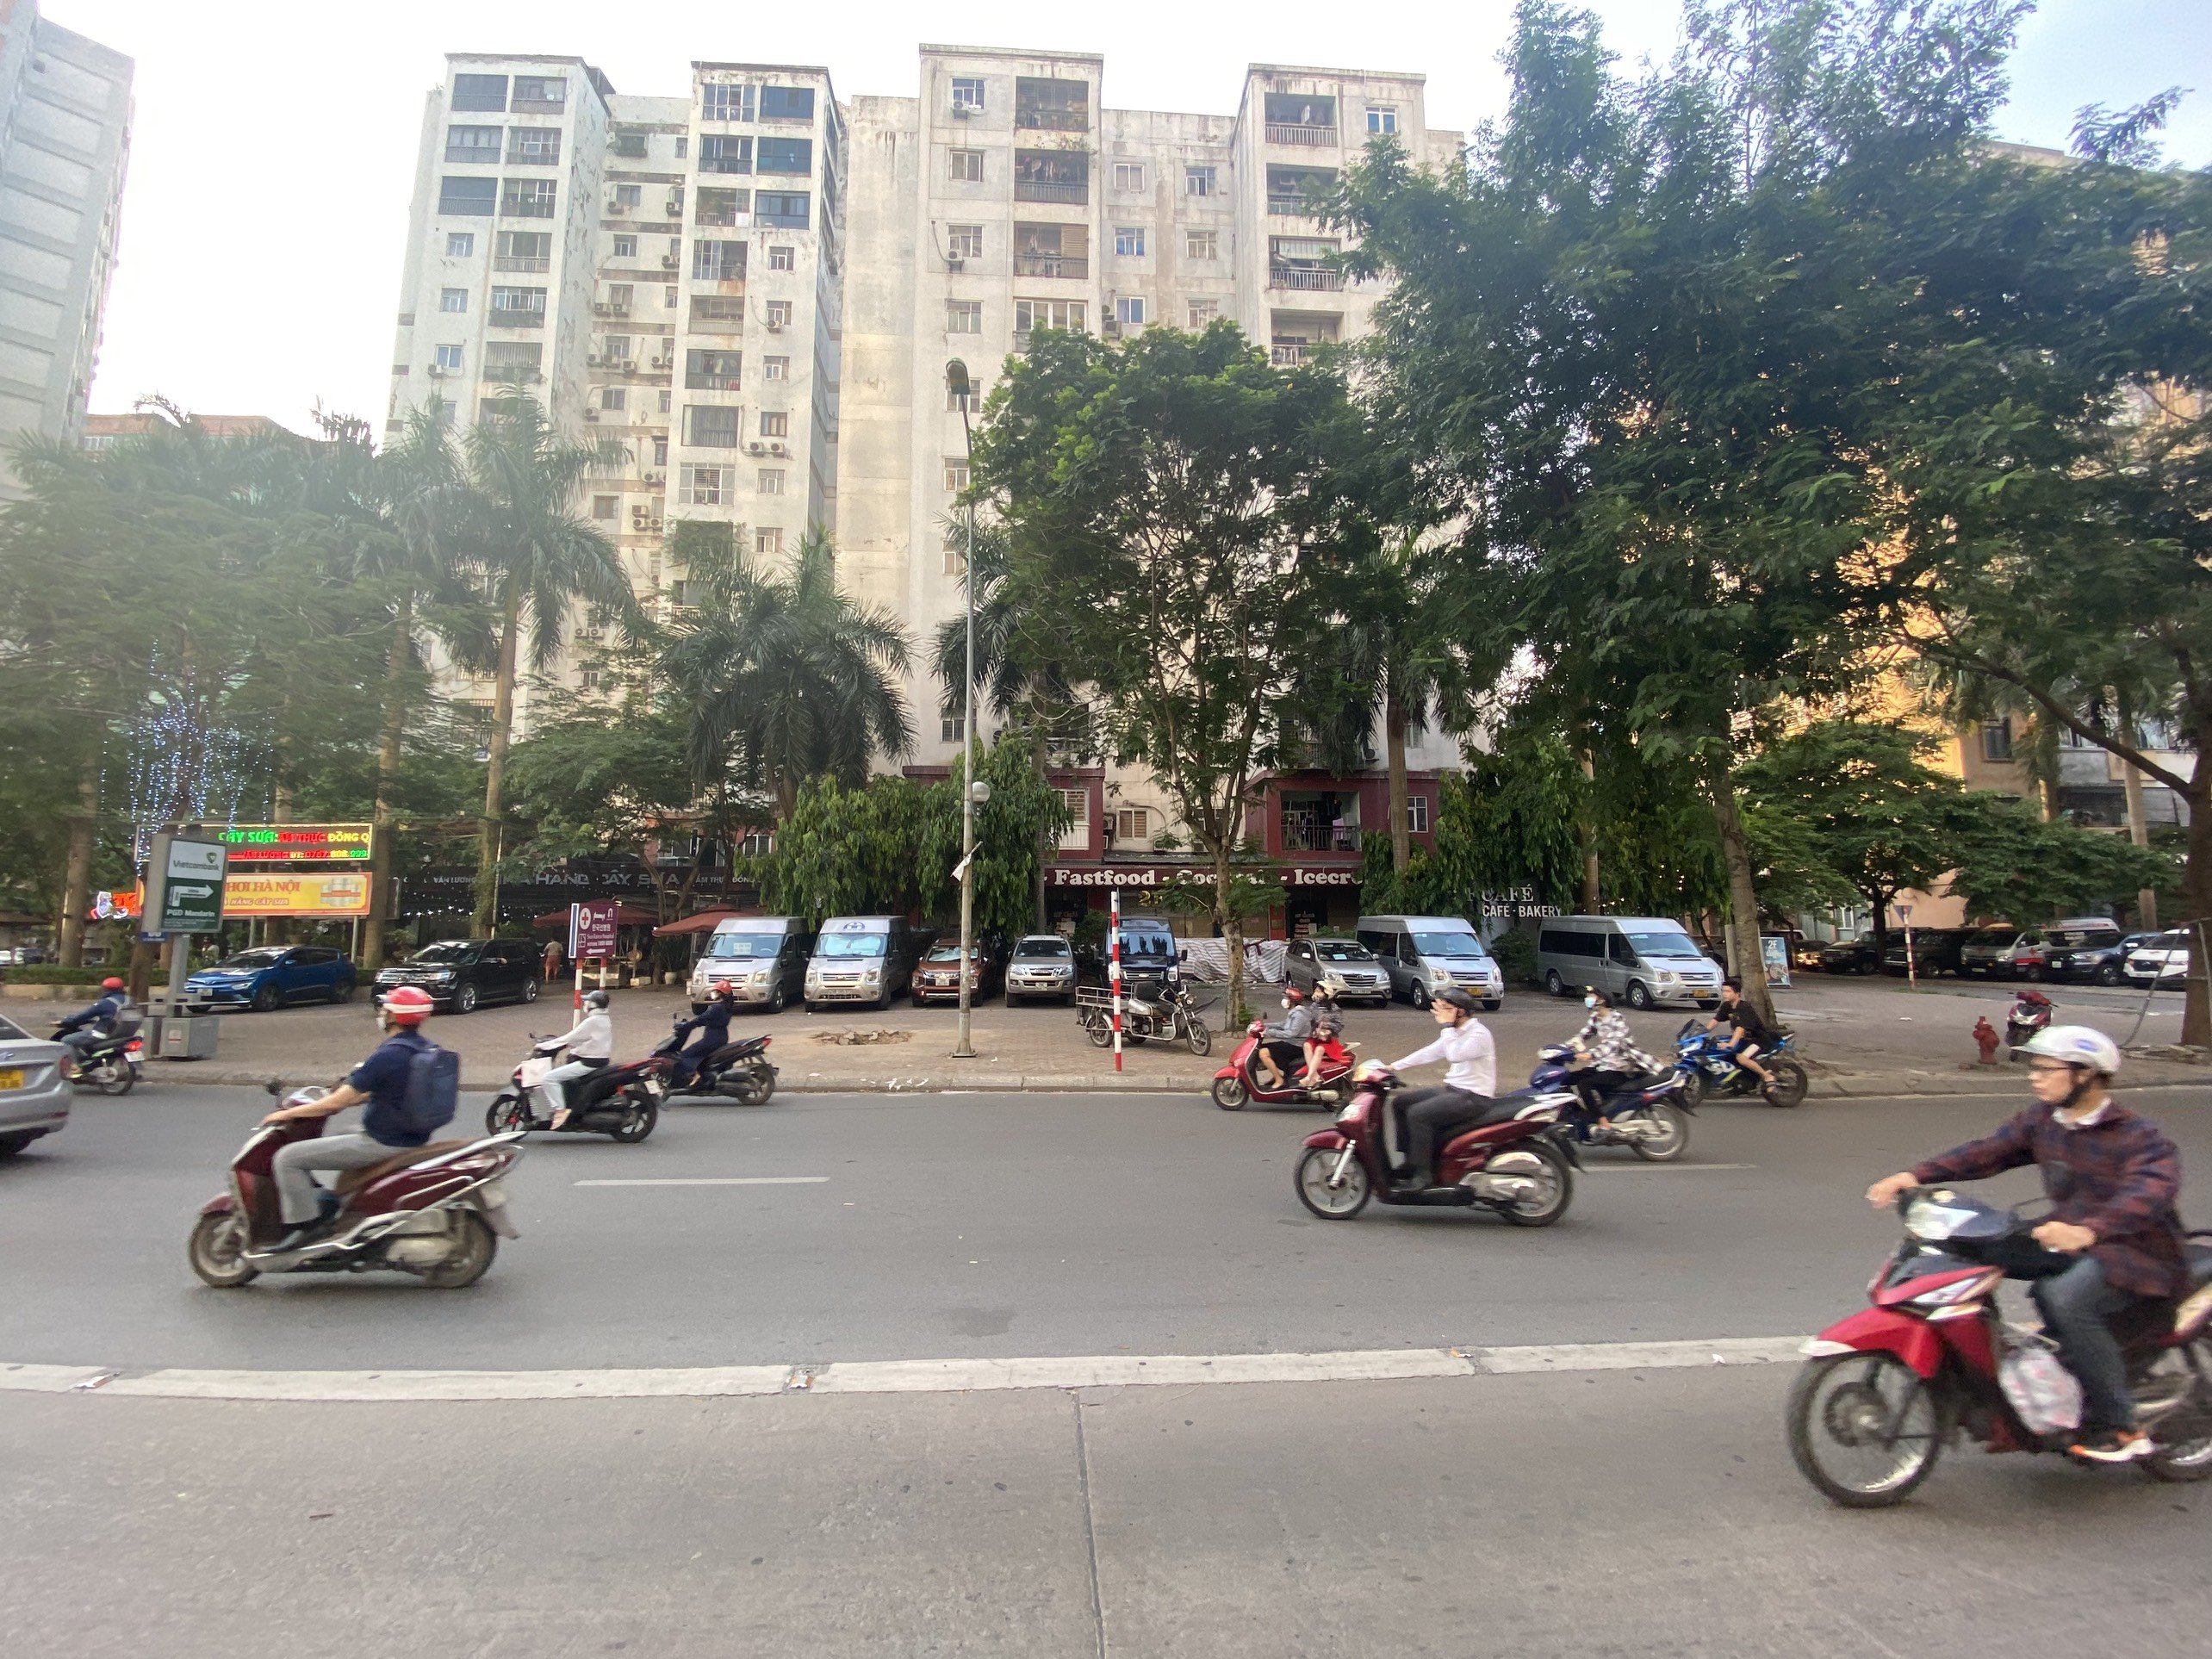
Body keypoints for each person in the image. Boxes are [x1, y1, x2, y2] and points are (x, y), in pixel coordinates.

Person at [1864, 1026, 2187, 1464]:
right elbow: (1988, 1152)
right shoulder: (2043, 1120)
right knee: (1973, 1248)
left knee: (2062, 1297)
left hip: (2135, 1249)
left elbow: (2149, 1192)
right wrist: (1914, 1176)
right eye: (2033, 1068)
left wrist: (2090, 1230)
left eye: (2046, 1069)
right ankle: (2002, 1378)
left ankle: (2121, 1427)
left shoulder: (2138, 1136)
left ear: (2086, 1075)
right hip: (2067, 1235)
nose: (2035, 1077)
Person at [260, 985, 443, 1251]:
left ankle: (306, 1227)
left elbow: (334, 1104)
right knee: (339, 1136)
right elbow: (400, 1090)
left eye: (386, 1008)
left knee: (287, 1158)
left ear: (394, 1016)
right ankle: (337, 1204)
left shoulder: (389, 1054)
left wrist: (287, 1113)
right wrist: (360, 1097)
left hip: (384, 1140)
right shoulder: (427, 1049)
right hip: (411, 1135)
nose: (381, 1013)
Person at [1386, 988, 1497, 1189]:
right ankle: (1411, 1161)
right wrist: (1393, 1066)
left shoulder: (1479, 1034)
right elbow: (1431, 1052)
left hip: (1474, 1097)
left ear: (1461, 1011)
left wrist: (1446, 1026)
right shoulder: (1456, 1033)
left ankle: (1423, 1174)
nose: (1440, 1012)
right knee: (1401, 1103)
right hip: (1455, 1090)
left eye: (1446, 1008)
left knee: (1418, 1114)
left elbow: (1454, 1055)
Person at [1569, 986, 1662, 1128]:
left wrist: (1590, 1054)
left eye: (1591, 996)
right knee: (1568, 1078)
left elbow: (1613, 1043)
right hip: (1603, 1064)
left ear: (1602, 1000)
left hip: (1620, 1066)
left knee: (1584, 1085)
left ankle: (1602, 1122)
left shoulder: (1616, 1018)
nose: (1588, 999)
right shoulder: (1596, 1018)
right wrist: (1562, 1049)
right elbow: (1582, 1035)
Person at [536, 988, 614, 1128]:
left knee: (549, 1078)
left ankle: (560, 1110)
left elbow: (571, 1037)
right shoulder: (603, 1019)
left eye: (588, 1002)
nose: (585, 1004)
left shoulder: (592, 1021)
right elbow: (585, 1039)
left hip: (589, 1063)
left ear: (593, 1005)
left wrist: (543, 1046)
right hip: (598, 1060)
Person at [1706, 976, 1775, 1091]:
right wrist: (1700, 1033)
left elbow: (1740, 1028)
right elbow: (1715, 1021)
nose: (1725, 994)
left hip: (1758, 1040)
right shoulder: (1726, 1006)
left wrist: (1731, 1044)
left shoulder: (1744, 1007)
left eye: (1728, 991)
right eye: (1723, 991)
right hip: (1744, 1040)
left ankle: (1767, 1076)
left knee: (1741, 1058)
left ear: (1737, 993)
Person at [53, 977, 127, 1071]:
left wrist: (65, 1021)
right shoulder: (129, 1000)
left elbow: (84, 1015)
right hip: (121, 1033)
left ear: (105, 989)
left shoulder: (105, 1003)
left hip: (103, 1034)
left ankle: (75, 1067)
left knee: (66, 1040)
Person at [668, 983, 736, 1086]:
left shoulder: (715, 1008)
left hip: (711, 1040)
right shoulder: (728, 1007)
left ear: (721, 994)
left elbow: (700, 1019)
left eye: (716, 991)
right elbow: (705, 1020)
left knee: (685, 1055)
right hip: (722, 1037)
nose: (713, 993)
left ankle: (695, 1074)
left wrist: (686, 1026)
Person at [1257, 985, 1315, 1090]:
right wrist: (1264, 1026)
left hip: (1296, 1046)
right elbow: (1283, 1024)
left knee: (1263, 1053)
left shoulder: (1299, 1015)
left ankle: (1279, 1079)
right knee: (1259, 1048)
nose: (1284, 1001)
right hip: (1291, 1043)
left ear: (1292, 1001)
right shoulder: (1295, 1012)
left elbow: (1291, 1033)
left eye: (1286, 998)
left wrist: (1269, 1033)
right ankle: (1277, 1076)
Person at [1302, 984, 1345, 1086]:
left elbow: (1339, 1026)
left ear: (1326, 994)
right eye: (1315, 991)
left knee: (1319, 1050)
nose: (1315, 994)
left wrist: (1326, 1026)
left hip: (1330, 1039)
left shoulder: (1335, 1009)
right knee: (1306, 1045)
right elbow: (1309, 1020)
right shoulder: (1313, 1006)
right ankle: (1315, 1075)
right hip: (1316, 1037)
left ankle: (1309, 1077)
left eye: (1319, 992)